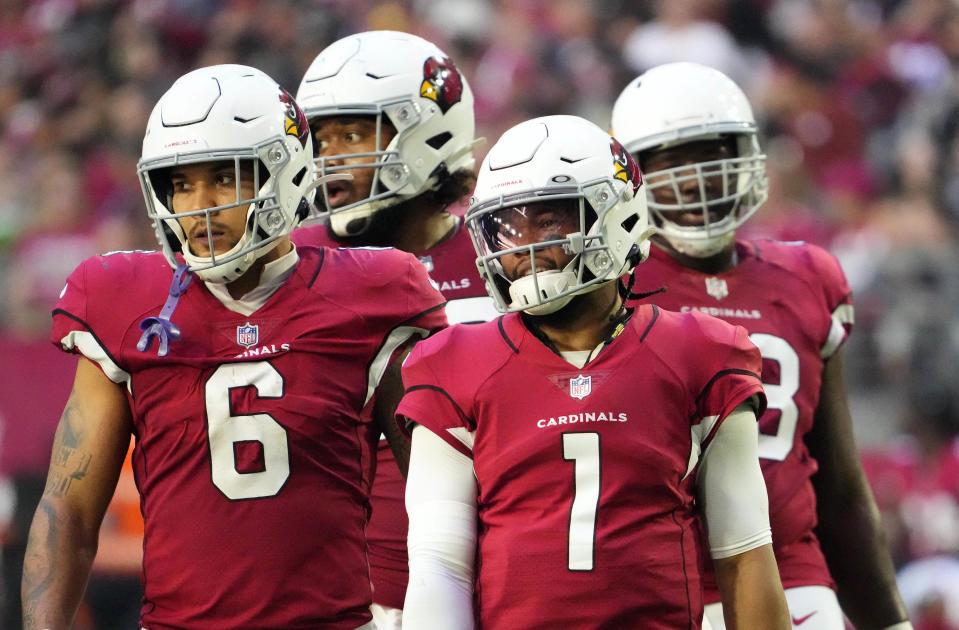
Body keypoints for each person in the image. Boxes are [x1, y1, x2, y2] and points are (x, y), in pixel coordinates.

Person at [20, 64, 447, 630]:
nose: (199, 206)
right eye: (182, 182)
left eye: (225, 178)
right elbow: (68, 511)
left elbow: (438, 498)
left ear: (285, 173)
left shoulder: (375, 293)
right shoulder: (122, 302)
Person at [398, 114, 791, 630]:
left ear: (616, 215)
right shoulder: (453, 363)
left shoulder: (700, 353)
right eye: (507, 226)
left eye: (548, 222)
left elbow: (744, 550)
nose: (523, 248)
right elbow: (439, 567)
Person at [610, 61, 912, 630]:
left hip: (794, 573)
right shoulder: (610, 286)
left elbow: (840, 485)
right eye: (669, 162)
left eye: (711, 154)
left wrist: (890, 623)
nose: (696, 178)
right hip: (663, 580)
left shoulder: (807, 275)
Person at [291, 30, 495, 629]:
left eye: (351, 136)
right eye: (318, 140)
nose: (328, 161)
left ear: (432, 130)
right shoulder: (289, 263)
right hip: (342, 595)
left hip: (501, 580)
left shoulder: (513, 253)